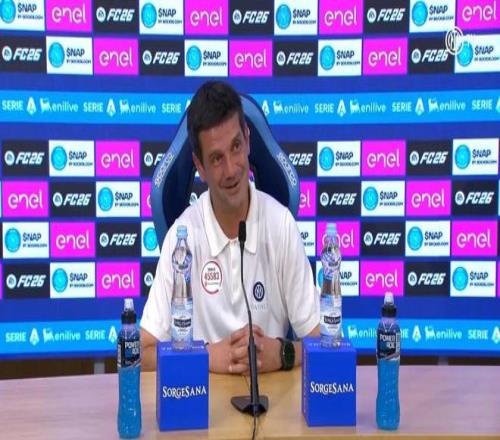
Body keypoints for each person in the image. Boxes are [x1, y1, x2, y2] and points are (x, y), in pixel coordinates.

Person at [140, 81, 319, 374]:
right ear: (199, 166)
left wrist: (283, 353)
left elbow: (325, 344)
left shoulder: (281, 225)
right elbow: (141, 351)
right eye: (216, 158)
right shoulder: (182, 238)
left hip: (271, 398)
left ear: (248, 140)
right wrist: (205, 357)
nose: (232, 169)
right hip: (203, 399)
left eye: (236, 147)